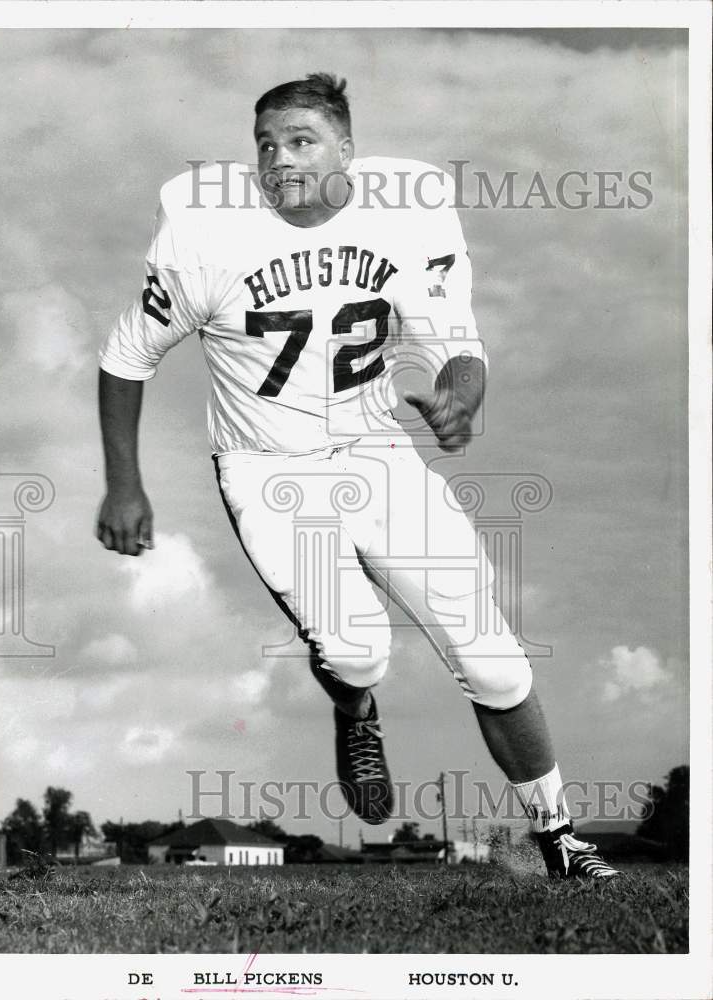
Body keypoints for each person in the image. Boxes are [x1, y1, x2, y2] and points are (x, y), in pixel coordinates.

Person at [97, 73, 619, 879]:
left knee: (492, 660)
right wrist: (124, 484)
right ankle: (356, 707)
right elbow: (125, 357)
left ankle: (560, 839)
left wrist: (458, 401)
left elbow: (459, 346)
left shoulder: (408, 214)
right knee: (359, 649)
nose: (279, 160)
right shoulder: (206, 230)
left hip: (377, 453)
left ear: (349, 150)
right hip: (269, 469)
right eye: (265, 145)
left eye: (301, 140)